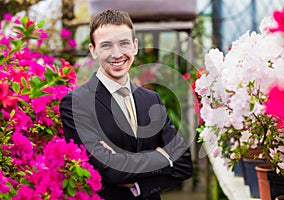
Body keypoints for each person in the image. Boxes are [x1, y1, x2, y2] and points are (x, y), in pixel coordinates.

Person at [60, 9, 193, 200]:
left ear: (135, 46)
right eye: (106, 45)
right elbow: (109, 171)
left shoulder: (151, 99)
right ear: (93, 51)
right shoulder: (76, 103)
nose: (117, 54)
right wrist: (163, 157)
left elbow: (184, 164)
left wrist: (139, 185)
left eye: (124, 43)